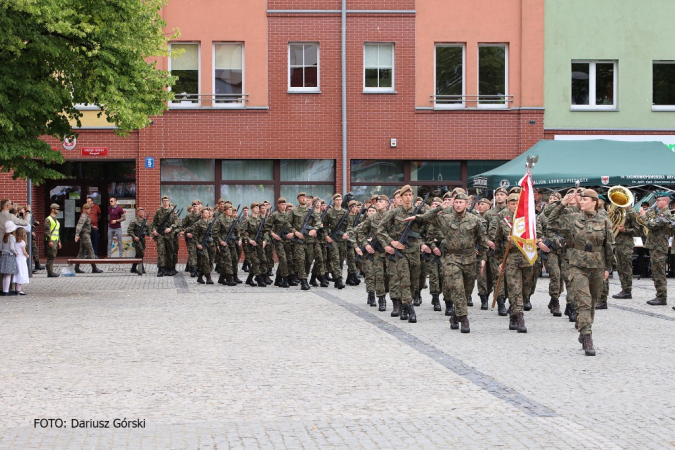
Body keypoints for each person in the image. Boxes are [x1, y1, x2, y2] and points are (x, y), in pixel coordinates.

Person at [406, 193, 487, 332]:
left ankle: (455, 314)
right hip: (452, 259)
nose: (458, 205)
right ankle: (464, 318)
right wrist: (438, 208)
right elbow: (428, 217)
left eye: (461, 202)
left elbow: (482, 241)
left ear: (467, 204)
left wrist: (482, 259)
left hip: (469, 259)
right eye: (456, 202)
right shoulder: (445, 218)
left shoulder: (475, 220)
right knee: (457, 287)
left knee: (467, 290)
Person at [547, 189, 613, 356]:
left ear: (594, 202)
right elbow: (550, 221)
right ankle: (587, 335)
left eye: (585, 199)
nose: (581, 201)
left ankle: (584, 328)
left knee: (592, 302)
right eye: (580, 199)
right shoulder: (573, 218)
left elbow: (609, 246)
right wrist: (562, 203)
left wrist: (608, 268)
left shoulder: (604, 220)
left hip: (597, 265)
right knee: (583, 301)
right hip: (577, 265)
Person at [377, 185, 427, 323]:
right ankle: (410, 309)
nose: (407, 197)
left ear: (412, 197)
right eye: (404, 195)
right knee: (404, 280)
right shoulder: (393, 213)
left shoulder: (419, 212)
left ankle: (405, 305)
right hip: (401, 253)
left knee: (413, 281)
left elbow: (428, 227)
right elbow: (380, 230)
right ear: (401, 197)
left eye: (410, 195)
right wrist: (391, 242)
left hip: (415, 251)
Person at [495, 194, 534, 333]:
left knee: (526, 289)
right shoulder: (504, 222)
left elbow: (538, 236)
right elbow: (498, 243)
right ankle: (520, 317)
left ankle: (513, 311)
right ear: (508, 205)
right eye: (512, 203)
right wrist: (500, 261)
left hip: (527, 257)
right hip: (511, 259)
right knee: (514, 288)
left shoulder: (529, 222)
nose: (515, 206)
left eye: (517, 203)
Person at [641, 193, 673, 306]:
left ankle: (661, 297)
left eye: (659, 200)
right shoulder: (660, 213)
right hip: (655, 246)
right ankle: (659, 295)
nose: (657, 202)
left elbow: (653, 225)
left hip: (659, 247)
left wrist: (644, 215)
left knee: (659, 272)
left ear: (665, 201)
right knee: (656, 272)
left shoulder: (665, 214)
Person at [289, 192, 321, 290]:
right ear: (298, 199)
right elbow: (287, 223)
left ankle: (305, 277)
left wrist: (314, 229)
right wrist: (295, 232)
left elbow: (318, 222)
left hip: (309, 241)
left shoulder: (311, 211)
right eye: (302, 197)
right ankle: (303, 281)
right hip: (299, 241)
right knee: (301, 260)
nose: (304, 199)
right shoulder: (294, 211)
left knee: (309, 260)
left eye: (305, 198)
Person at [151, 196, 179, 277]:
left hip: (170, 235)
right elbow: (154, 222)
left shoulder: (172, 211)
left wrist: (171, 228)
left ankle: (170, 268)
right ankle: (161, 269)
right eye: (164, 201)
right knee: (161, 252)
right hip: (161, 235)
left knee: (170, 252)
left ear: (169, 201)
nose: (165, 202)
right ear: (162, 202)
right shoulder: (158, 211)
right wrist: (154, 231)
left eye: (167, 201)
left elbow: (177, 222)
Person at [74, 204, 103, 274]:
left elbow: (87, 224)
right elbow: (79, 225)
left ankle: (76, 267)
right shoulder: (83, 216)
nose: (90, 210)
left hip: (86, 235)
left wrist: (93, 227)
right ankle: (94, 268)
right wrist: (77, 234)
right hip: (85, 236)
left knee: (82, 252)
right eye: (89, 209)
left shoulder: (86, 216)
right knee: (91, 251)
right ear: (85, 209)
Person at [126, 206, 148, 275]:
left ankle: (133, 268)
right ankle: (141, 268)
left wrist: (149, 233)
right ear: (137, 213)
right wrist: (134, 236)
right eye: (140, 212)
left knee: (138, 253)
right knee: (141, 252)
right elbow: (129, 230)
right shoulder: (134, 221)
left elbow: (147, 229)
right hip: (136, 239)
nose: (142, 213)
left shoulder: (145, 221)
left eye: (143, 212)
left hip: (142, 239)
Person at [1, 221, 19, 295]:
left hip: (3, 256)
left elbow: (0, 247)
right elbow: (11, 247)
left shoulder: (4, 237)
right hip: (10, 256)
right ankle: (6, 291)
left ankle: (4, 290)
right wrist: (15, 252)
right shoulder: (12, 238)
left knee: (5, 275)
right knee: (8, 275)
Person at [44, 204, 62, 277]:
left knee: (53, 256)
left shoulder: (56, 220)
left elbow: (57, 232)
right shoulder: (48, 219)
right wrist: (49, 241)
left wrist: (59, 241)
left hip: (56, 240)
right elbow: (47, 231)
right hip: (51, 240)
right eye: (57, 209)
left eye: (58, 209)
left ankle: (50, 271)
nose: (58, 210)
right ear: (52, 209)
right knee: (51, 256)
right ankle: (50, 272)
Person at [14, 227, 29, 295]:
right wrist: (27, 255)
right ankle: (19, 289)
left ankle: (16, 288)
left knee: (17, 273)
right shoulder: (22, 242)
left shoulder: (15, 242)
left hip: (17, 259)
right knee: (21, 273)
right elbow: (24, 252)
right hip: (22, 259)